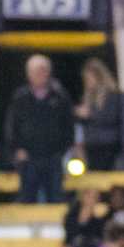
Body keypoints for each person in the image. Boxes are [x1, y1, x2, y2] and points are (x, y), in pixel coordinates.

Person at [4, 54, 75, 204]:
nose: (40, 74)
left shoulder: (60, 97)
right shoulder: (20, 98)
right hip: (29, 159)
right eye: (36, 71)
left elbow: (69, 127)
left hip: (53, 158)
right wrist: (16, 150)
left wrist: (61, 151)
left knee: (56, 198)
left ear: (49, 72)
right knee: (27, 199)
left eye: (43, 70)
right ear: (28, 74)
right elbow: (11, 127)